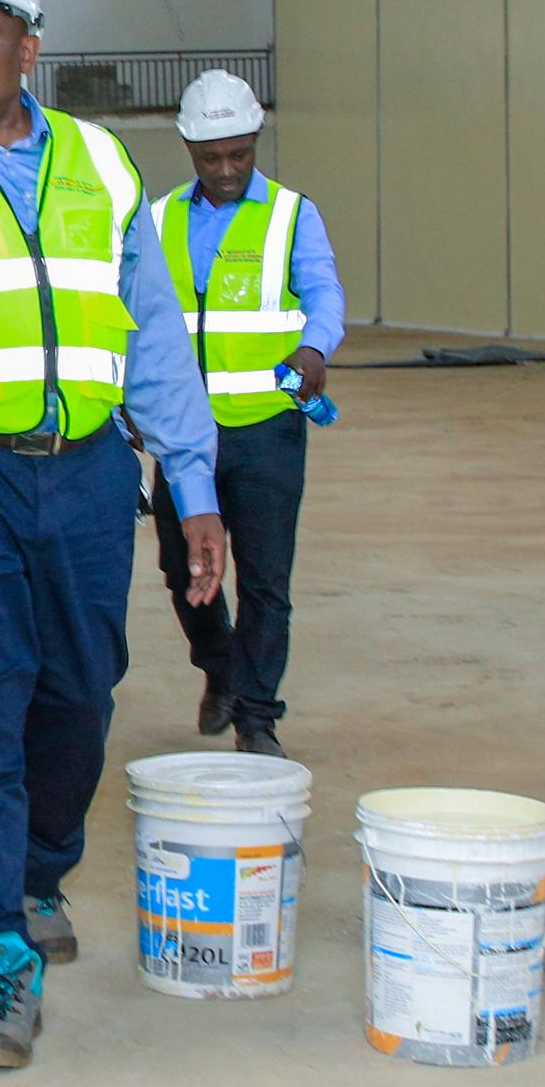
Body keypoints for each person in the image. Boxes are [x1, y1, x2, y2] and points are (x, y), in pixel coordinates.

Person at [0, 0, 225, 1071]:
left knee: (82, 690)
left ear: (28, 49)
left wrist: (191, 481)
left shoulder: (100, 161)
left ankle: (41, 870)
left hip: (88, 469)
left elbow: (154, 328)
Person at [142, 69, 340, 755]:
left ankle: (256, 717)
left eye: (239, 154)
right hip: (182, 431)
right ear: (188, 149)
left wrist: (315, 348)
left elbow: (324, 292)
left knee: (265, 579)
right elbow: (134, 313)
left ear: (255, 141)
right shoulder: (157, 219)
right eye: (211, 157)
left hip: (265, 430)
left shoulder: (291, 214)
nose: (227, 170)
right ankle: (220, 663)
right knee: (182, 568)